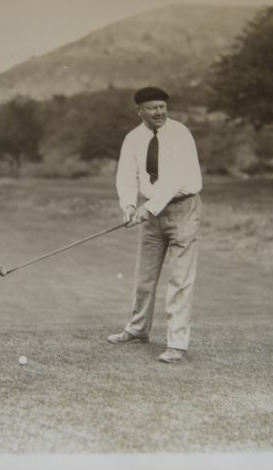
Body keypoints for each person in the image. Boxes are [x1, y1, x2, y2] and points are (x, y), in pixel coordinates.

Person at [107, 86, 203, 363]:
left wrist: (147, 207)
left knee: (180, 280)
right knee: (144, 277)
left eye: (163, 106)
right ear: (140, 111)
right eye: (153, 107)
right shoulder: (133, 138)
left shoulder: (180, 133)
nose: (159, 112)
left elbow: (174, 177)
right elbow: (126, 175)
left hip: (183, 209)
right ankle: (138, 330)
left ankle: (177, 343)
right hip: (152, 215)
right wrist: (127, 205)